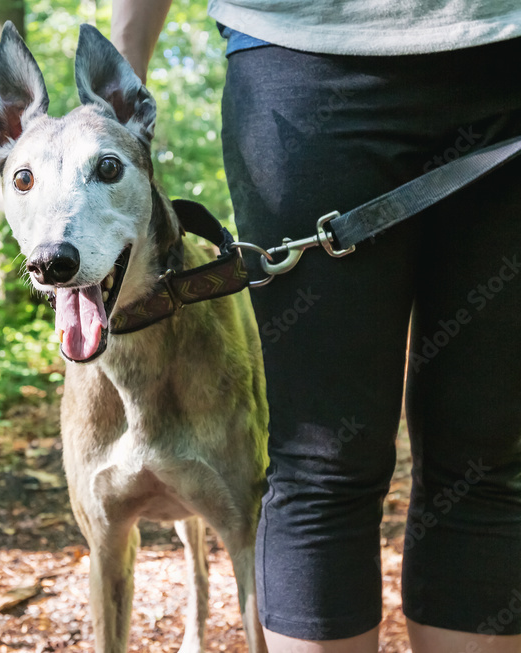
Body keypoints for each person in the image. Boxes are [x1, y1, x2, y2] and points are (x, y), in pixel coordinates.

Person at [110, 1, 521, 652]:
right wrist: (121, 81)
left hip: (508, 53)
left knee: (485, 458)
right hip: (301, 59)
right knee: (323, 465)